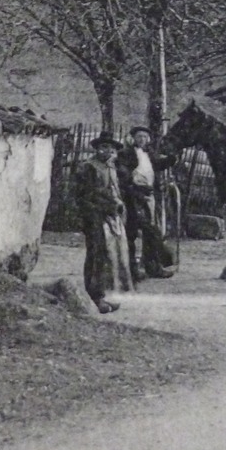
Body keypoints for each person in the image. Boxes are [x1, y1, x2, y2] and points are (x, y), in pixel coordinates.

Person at [74, 132, 132, 313]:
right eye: (104, 147)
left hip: (113, 218)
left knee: (113, 256)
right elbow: (82, 196)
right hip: (96, 217)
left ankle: (108, 293)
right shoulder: (88, 167)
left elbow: (115, 192)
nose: (108, 151)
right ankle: (95, 296)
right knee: (97, 255)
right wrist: (95, 212)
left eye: (112, 148)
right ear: (97, 149)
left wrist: (119, 207)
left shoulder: (112, 168)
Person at [116, 125, 177, 281]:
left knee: (151, 232)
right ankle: (131, 271)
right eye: (139, 137)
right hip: (133, 197)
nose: (142, 140)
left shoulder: (149, 154)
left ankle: (153, 267)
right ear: (133, 138)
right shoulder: (126, 154)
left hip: (148, 196)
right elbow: (123, 175)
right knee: (133, 233)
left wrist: (172, 157)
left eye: (144, 137)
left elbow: (159, 164)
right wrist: (133, 189)